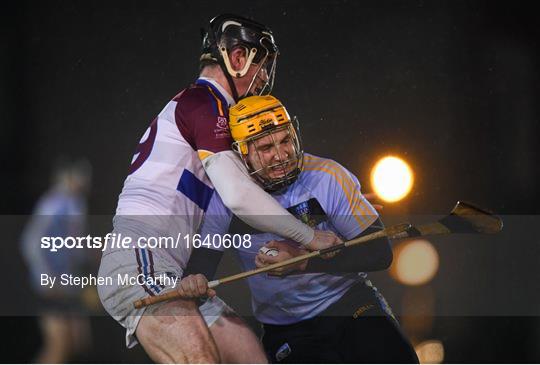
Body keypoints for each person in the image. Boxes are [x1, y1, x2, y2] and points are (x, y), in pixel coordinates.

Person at [97, 14, 341, 363]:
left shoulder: (221, 128)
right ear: (238, 58)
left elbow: (216, 221)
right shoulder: (205, 102)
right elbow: (240, 197)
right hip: (139, 259)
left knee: (251, 357)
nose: (266, 78)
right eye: (263, 64)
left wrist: (196, 277)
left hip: (170, 269)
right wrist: (310, 237)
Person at [179, 95, 419, 363]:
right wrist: (192, 280)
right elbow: (202, 265)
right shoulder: (224, 200)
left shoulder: (328, 175)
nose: (281, 156)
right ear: (242, 153)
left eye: (285, 141)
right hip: (287, 329)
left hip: (349, 304)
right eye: (266, 147)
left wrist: (301, 263)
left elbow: (379, 253)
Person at [21, 159, 93, 363]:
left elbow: (74, 247)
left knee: (75, 342)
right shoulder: (54, 202)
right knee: (58, 343)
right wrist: (46, 275)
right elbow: (31, 241)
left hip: (67, 284)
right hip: (53, 284)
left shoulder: (74, 204)